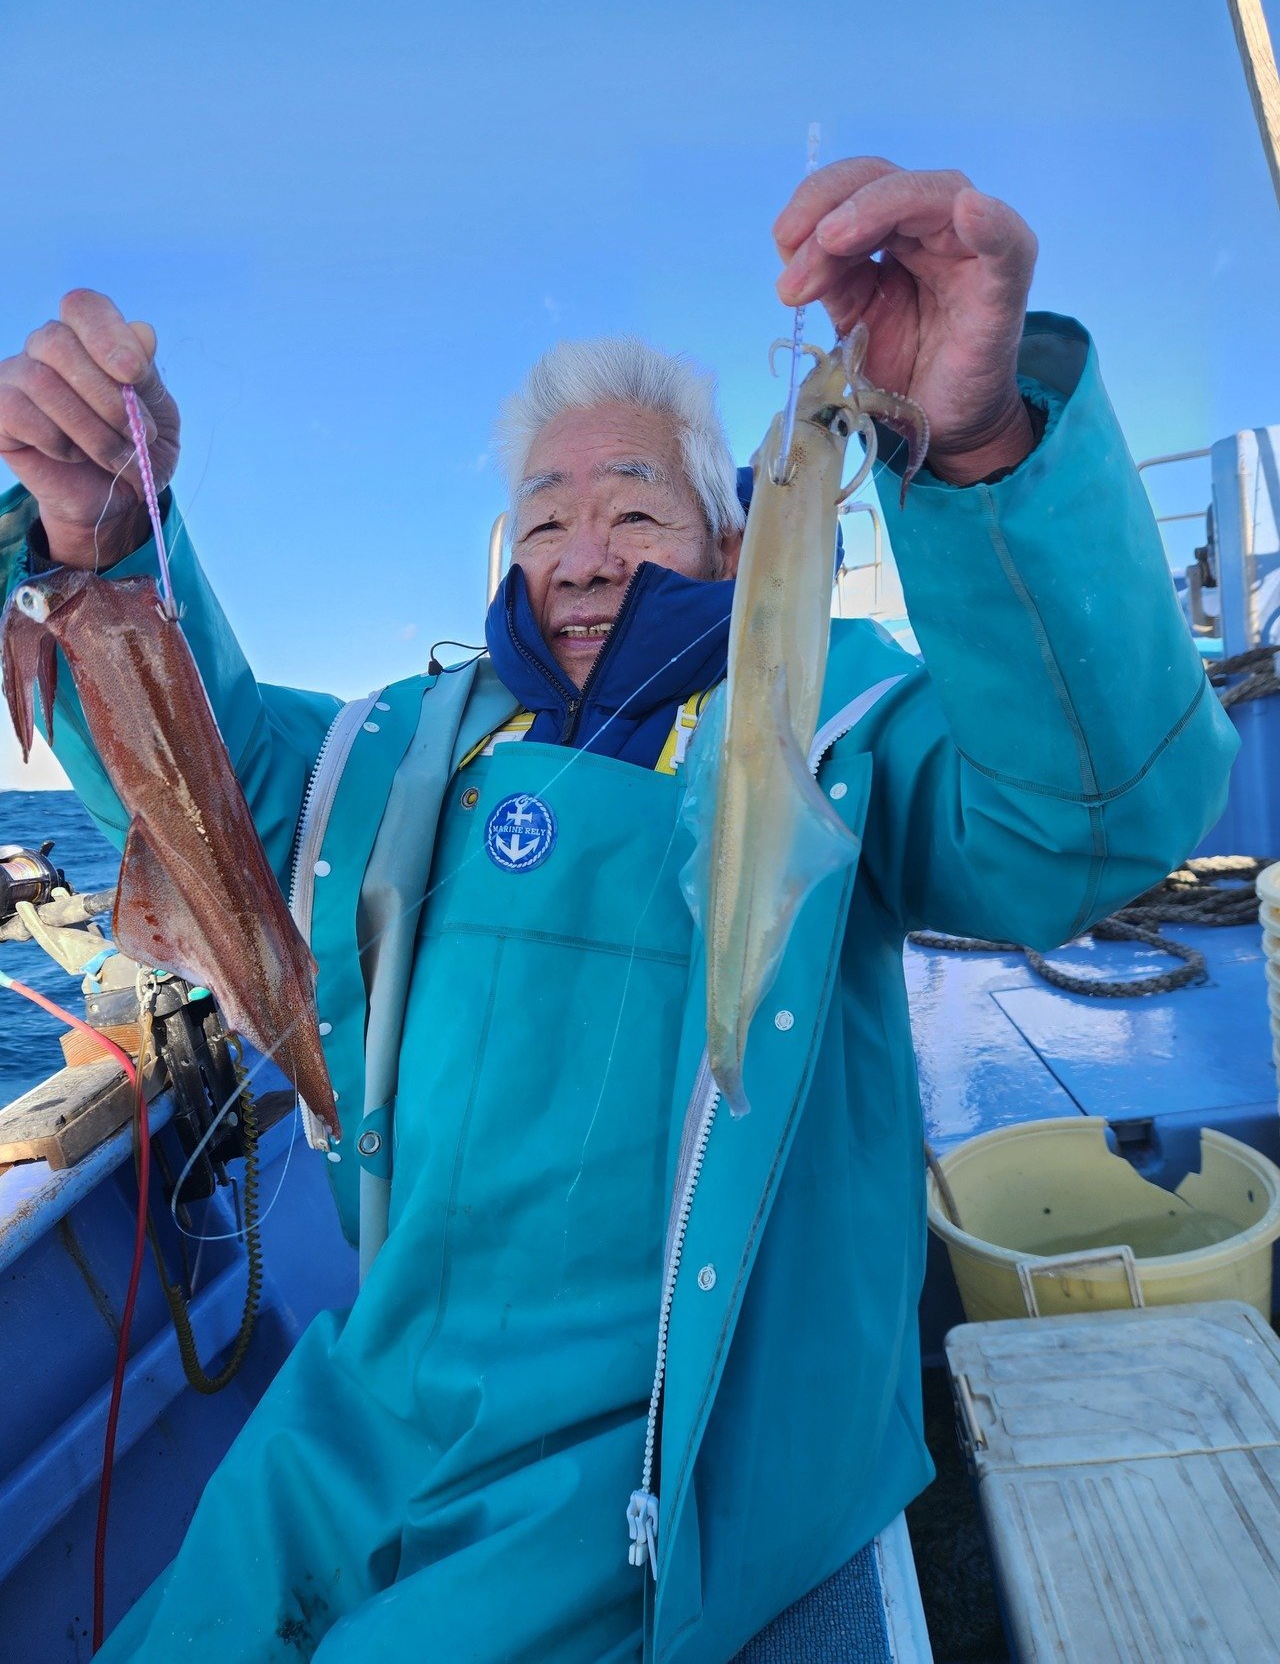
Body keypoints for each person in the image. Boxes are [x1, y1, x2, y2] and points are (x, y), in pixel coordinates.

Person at [0, 158, 1237, 1662]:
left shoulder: (839, 725)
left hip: (664, 1441)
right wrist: (103, 547)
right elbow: (200, 778)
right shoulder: (400, 745)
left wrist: (977, 447)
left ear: (732, 541)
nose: (582, 557)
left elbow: (1086, 818)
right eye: (543, 520)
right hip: (370, 1402)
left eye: (635, 508)